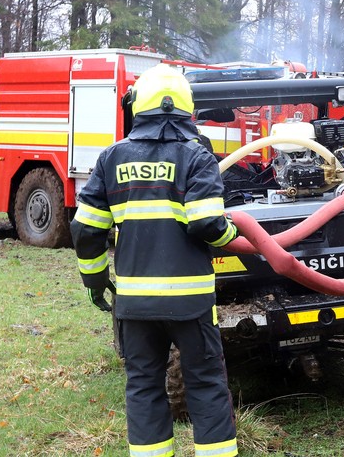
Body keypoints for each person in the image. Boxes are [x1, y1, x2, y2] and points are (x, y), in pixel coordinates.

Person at [71, 63, 240, 457]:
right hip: (191, 305)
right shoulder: (196, 157)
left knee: (144, 386)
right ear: (187, 110)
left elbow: (85, 230)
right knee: (206, 384)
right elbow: (207, 224)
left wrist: (95, 281)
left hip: (134, 306)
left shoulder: (112, 158)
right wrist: (233, 233)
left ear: (137, 107)